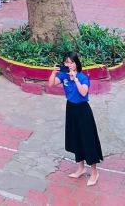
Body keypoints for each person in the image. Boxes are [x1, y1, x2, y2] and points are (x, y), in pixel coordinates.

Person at [48, 53, 103, 187]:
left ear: (76, 64)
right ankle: (81, 168)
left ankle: (94, 172)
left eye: (71, 62)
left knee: (88, 140)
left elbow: (84, 92)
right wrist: (53, 73)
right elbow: (51, 84)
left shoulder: (83, 77)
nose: (68, 65)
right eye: (66, 62)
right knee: (75, 138)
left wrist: (75, 79)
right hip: (71, 109)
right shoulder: (63, 75)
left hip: (83, 111)